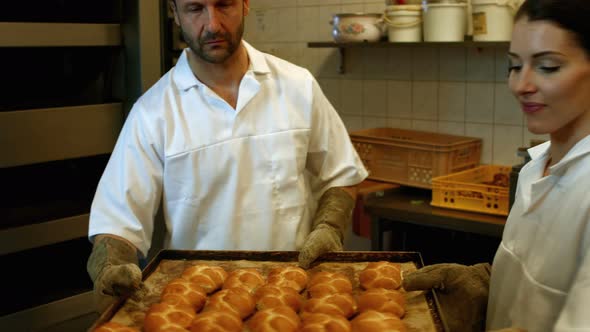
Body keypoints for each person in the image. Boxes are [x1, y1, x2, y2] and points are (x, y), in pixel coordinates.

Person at [86, 0, 368, 311]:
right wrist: (112, 265)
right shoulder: (153, 113)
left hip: (292, 293)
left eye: (224, 5)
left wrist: (330, 226)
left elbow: (342, 174)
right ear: (175, 13)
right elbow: (116, 222)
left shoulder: (297, 86)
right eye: (195, 9)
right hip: (200, 303)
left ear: (245, 4)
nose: (213, 24)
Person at [402, 0, 590, 331]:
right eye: (514, 66)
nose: (521, 86)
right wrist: (487, 285)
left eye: (548, 66)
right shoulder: (534, 168)